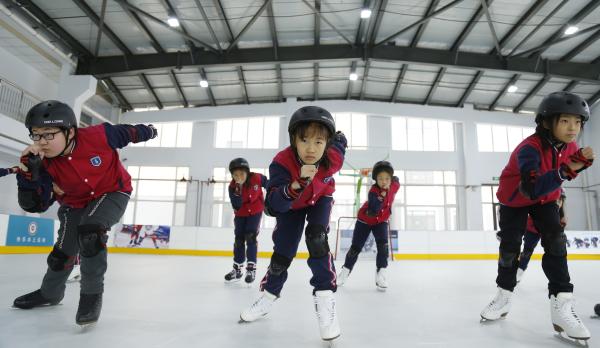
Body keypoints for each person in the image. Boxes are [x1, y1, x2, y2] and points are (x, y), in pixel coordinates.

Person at [12, 100, 157, 326]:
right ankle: (50, 293)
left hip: (112, 191)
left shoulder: (99, 136)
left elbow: (128, 133)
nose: (42, 142)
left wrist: (147, 131)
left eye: (48, 134)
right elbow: (35, 206)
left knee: (91, 233)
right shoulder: (40, 164)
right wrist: (28, 176)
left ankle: (90, 297)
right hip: (74, 202)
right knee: (63, 251)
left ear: (70, 132)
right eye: (36, 135)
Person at [480, 92, 593, 342]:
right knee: (510, 247)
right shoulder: (528, 149)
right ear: (546, 122)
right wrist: (569, 169)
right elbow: (530, 188)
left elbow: (565, 170)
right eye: (565, 121)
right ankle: (504, 295)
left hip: (546, 199)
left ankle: (562, 304)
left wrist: (579, 163)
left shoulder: (570, 145)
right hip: (514, 198)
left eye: (578, 122)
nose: (573, 128)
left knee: (556, 241)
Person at [239, 106, 347, 342]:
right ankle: (268, 297)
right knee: (283, 251)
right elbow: (274, 204)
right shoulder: (281, 163)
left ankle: (325, 297)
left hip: (320, 198)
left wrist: (341, 140)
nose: (311, 148)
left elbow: (340, 145)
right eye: (304, 140)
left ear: (327, 143)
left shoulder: (333, 158)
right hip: (292, 204)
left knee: (317, 238)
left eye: (319, 142)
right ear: (293, 140)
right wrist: (296, 185)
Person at [337, 161, 400, 291]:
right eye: (380, 179)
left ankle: (381, 274)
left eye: (387, 178)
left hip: (381, 221)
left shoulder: (393, 185)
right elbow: (375, 208)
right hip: (364, 221)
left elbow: (397, 182)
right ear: (376, 179)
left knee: (383, 247)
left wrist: (394, 179)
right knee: (355, 248)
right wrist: (381, 196)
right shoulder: (373, 192)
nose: (384, 181)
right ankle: (345, 272)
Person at [224, 158, 268, 284]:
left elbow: (270, 184)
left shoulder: (257, 178)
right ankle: (237, 270)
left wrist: (272, 197)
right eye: (235, 175)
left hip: (255, 211)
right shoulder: (232, 187)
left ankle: (251, 269)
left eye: (242, 174)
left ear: (247, 172)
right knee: (239, 240)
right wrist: (238, 189)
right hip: (241, 213)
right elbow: (236, 205)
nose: (239, 177)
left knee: (250, 236)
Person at [516, 190, 566, 283]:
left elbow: (560, 213)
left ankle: (556, 280)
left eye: (562, 197)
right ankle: (519, 271)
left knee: (554, 252)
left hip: (550, 230)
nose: (561, 199)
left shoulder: (559, 201)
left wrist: (562, 220)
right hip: (533, 227)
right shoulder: (542, 194)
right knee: (527, 250)